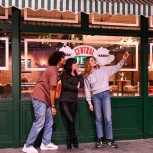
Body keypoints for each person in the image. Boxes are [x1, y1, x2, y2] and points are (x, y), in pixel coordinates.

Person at [22, 51, 66, 153]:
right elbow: (52, 90)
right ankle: (27, 145)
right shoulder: (53, 70)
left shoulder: (54, 70)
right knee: (40, 122)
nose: (65, 59)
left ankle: (45, 143)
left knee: (49, 121)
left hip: (45, 99)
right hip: (40, 97)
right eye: (63, 57)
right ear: (59, 59)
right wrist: (53, 106)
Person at [84, 52, 129, 149]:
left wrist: (123, 59)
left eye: (94, 59)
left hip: (105, 95)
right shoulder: (87, 76)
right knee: (98, 118)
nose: (94, 61)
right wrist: (89, 102)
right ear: (88, 63)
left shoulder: (103, 70)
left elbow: (116, 67)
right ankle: (99, 138)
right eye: (92, 60)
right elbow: (87, 89)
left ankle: (110, 139)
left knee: (108, 118)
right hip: (95, 96)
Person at [59, 58, 84, 150]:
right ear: (70, 65)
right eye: (74, 63)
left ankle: (69, 140)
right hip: (64, 101)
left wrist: (80, 75)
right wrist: (75, 87)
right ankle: (74, 137)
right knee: (71, 120)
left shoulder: (77, 74)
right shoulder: (64, 74)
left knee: (71, 121)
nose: (76, 65)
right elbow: (65, 85)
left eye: (76, 63)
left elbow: (81, 85)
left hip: (74, 101)